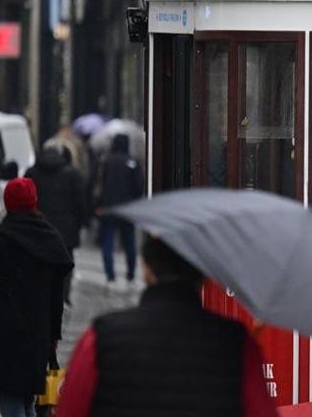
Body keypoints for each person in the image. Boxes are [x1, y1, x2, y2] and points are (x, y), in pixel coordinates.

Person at [55, 235, 278, 417]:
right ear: (202, 276)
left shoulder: (102, 338)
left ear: (147, 269)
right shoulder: (236, 344)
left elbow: (71, 408)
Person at [0, 178, 73, 417]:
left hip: (6, 337)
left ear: (7, 203)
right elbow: (56, 297)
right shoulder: (50, 240)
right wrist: (54, 335)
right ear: (34, 202)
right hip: (38, 335)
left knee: (13, 405)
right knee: (27, 401)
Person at [26, 144, 87, 305]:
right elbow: (81, 203)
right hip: (66, 229)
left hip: (39, 226)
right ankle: (63, 295)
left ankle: (40, 293)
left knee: (39, 262)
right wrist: (80, 223)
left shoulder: (32, 173)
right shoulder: (73, 174)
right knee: (65, 263)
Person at [96, 134, 144, 289]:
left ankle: (110, 276)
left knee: (107, 242)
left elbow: (99, 184)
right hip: (127, 208)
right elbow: (139, 186)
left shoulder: (107, 161)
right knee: (129, 242)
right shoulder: (132, 162)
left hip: (108, 207)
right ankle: (130, 275)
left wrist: (98, 204)